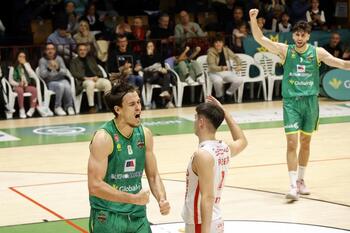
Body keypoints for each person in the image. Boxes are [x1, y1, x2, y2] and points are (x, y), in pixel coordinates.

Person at [249, 8, 350, 201]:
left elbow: (342, 64)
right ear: (293, 35)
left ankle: (302, 181)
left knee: (305, 142)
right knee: (291, 142)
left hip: (311, 102)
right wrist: (253, 19)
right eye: (297, 34)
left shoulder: (317, 52)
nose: (300, 38)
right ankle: (292, 185)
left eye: (303, 35)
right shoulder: (285, 50)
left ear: (308, 36)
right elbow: (261, 39)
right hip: (291, 103)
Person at [88, 82, 170, 233]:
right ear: (118, 109)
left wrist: (161, 198)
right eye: (132, 104)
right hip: (108, 216)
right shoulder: (103, 138)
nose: (138, 107)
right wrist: (133, 199)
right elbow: (95, 186)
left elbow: (153, 176)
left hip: (137, 217)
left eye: (138, 102)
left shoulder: (145, 134)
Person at [182, 95, 247, 233]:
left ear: (201, 122)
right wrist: (224, 112)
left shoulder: (203, 154)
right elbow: (242, 140)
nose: (194, 122)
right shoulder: (224, 147)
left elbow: (207, 197)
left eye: (195, 118)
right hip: (214, 219)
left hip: (201, 222)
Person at [70, 43, 111, 113]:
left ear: (86, 51)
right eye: (80, 50)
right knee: (90, 83)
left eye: (84, 50)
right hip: (83, 81)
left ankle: (109, 105)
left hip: (95, 79)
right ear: (77, 51)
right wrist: (85, 78)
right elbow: (74, 73)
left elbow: (99, 70)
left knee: (107, 82)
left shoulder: (91, 59)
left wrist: (97, 76)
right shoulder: (74, 61)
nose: (82, 52)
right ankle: (91, 106)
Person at [39, 43, 76, 116]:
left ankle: (69, 106)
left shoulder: (59, 58)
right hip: (50, 82)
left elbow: (65, 71)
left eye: (52, 49)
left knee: (67, 86)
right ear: (45, 51)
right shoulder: (42, 60)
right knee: (60, 85)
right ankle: (57, 107)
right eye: (48, 49)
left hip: (61, 79)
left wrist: (58, 68)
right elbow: (43, 75)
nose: (50, 51)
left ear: (55, 50)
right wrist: (49, 69)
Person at [9, 51, 46, 118]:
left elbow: (34, 75)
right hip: (17, 86)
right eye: (20, 56)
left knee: (34, 90)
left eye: (24, 57)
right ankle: (21, 109)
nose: (22, 58)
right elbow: (10, 80)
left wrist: (25, 64)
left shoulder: (27, 65)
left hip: (26, 85)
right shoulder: (13, 67)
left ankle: (32, 108)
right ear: (17, 58)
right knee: (20, 90)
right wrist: (18, 84)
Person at [207, 34, 242, 103]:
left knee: (239, 80)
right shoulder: (210, 52)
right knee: (218, 81)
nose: (218, 44)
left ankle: (228, 94)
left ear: (223, 43)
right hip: (214, 73)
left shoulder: (226, 50)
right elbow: (211, 66)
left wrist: (239, 65)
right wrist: (222, 68)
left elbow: (235, 57)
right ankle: (219, 96)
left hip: (226, 72)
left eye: (220, 42)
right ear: (213, 44)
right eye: (216, 42)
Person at [140, 41, 176, 108]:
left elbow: (163, 65)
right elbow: (144, 68)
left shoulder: (158, 55)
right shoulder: (143, 56)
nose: (150, 48)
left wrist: (163, 69)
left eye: (151, 46)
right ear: (146, 48)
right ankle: (168, 101)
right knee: (166, 78)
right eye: (148, 47)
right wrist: (149, 57)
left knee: (166, 76)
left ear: (154, 47)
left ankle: (165, 94)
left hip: (159, 77)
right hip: (150, 77)